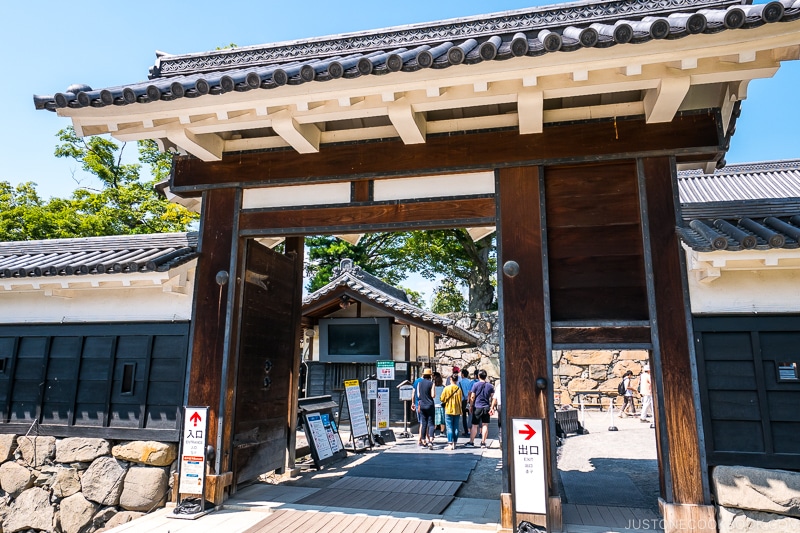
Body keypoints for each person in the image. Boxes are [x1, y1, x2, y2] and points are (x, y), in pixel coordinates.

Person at [466, 369, 494, 449]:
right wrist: (492, 407)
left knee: (475, 425)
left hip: (477, 407)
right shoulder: (490, 386)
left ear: (478, 376)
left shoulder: (475, 385)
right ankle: (483, 442)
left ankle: (471, 442)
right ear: (486, 376)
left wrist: (471, 406)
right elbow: (492, 397)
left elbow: (472, 396)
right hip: (486, 407)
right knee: (485, 425)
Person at [412, 368, 435, 448]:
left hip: (422, 405)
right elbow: (433, 395)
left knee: (423, 423)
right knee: (431, 424)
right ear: (430, 376)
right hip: (430, 405)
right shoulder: (431, 384)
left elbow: (418, 395)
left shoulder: (419, 383)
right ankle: (431, 441)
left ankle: (423, 440)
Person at [440, 373, 463, 450]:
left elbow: (442, 399)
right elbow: (460, 400)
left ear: (450, 379)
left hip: (448, 409)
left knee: (449, 427)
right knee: (456, 426)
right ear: (457, 380)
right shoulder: (459, 389)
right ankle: (455, 443)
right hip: (457, 410)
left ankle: (450, 443)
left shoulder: (446, 388)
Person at [458, 368, 474, 436]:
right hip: (470, 400)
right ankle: (471, 430)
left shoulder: (460, 383)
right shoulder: (470, 382)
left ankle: (466, 431)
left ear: (463, 375)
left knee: (464, 416)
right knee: (470, 415)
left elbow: (459, 392)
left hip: (463, 401)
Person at [433, 371, 445, 437]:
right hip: (441, 405)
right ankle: (442, 432)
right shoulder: (443, 388)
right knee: (442, 420)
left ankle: (433, 431)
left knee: (434, 420)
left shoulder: (433, 387)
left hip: (434, 405)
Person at [490, 380, 501, 444]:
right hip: (509, 406)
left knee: (500, 424)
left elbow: (494, 398)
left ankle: (501, 438)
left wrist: (492, 407)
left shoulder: (499, 386)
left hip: (500, 406)